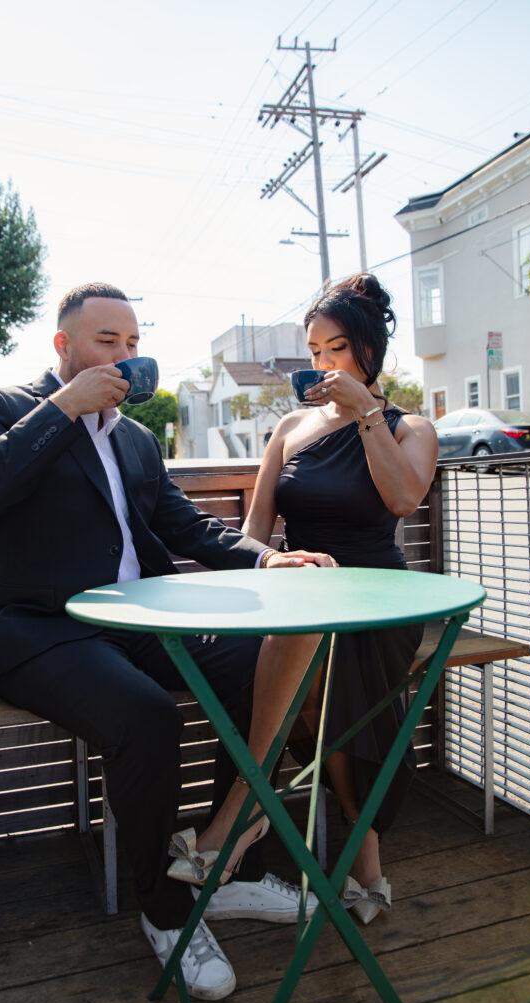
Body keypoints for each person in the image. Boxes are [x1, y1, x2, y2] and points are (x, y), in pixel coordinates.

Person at [0, 281, 331, 1003]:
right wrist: (64, 407)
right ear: (64, 346)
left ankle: (227, 868)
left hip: (139, 623)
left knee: (266, 664)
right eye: (107, 343)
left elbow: (186, 528)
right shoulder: (1, 407)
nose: (125, 358)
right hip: (38, 629)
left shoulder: (134, 439)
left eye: (132, 343)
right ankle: (163, 907)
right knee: (147, 715)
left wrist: (264, 558)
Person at [192, 273, 438, 926]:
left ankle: (243, 812)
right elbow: (254, 534)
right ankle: (365, 861)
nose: (322, 364)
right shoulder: (290, 427)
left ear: (367, 350)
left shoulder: (408, 427)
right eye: (313, 351)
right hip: (300, 599)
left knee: (320, 680)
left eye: (335, 349)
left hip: (380, 603)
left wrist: (363, 413)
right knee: (311, 673)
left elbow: (401, 499)